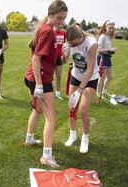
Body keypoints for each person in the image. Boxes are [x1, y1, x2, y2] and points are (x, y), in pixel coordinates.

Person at [24, 0, 68, 167]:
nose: (61, 21)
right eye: (58, 17)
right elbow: (36, 58)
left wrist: (64, 54)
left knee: (38, 109)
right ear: (50, 14)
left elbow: (51, 59)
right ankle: (46, 156)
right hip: (40, 78)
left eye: (63, 18)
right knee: (52, 118)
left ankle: (29, 139)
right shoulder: (48, 31)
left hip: (34, 77)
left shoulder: (46, 28)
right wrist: (40, 85)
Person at [62, 24, 99, 153]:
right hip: (76, 76)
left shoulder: (92, 44)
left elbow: (89, 71)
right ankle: (72, 135)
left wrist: (79, 90)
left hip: (90, 78)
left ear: (81, 36)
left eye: (75, 44)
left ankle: (85, 138)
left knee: (83, 110)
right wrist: (65, 55)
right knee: (72, 107)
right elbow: (64, 61)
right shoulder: (70, 43)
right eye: (71, 45)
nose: (74, 47)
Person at [96, 20, 117, 100]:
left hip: (107, 57)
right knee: (101, 77)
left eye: (112, 28)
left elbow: (107, 49)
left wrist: (111, 51)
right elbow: (99, 49)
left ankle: (104, 91)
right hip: (102, 58)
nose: (111, 29)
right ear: (106, 27)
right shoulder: (102, 37)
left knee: (110, 77)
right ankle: (99, 94)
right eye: (110, 28)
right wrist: (109, 50)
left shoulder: (108, 36)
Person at [54, 24, 66, 100]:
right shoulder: (52, 32)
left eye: (62, 25)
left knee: (59, 76)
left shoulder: (63, 33)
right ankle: (49, 92)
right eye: (59, 25)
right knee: (49, 77)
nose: (60, 26)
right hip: (52, 57)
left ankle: (58, 93)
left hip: (59, 57)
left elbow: (65, 44)